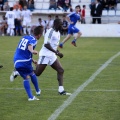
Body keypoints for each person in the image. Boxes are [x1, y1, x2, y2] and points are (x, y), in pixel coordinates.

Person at [34, 19, 71, 95]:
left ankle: (61, 90)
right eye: (60, 24)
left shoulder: (58, 32)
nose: (61, 26)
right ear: (56, 24)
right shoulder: (50, 32)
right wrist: (57, 53)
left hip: (51, 55)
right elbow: (46, 44)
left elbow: (53, 45)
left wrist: (57, 52)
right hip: (45, 55)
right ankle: (20, 71)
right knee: (37, 73)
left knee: (60, 70)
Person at [10, 26, 43, 101]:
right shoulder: (34, 40)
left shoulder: (24, 37)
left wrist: (32, 60)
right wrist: (32, 51)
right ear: (39, 35)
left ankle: (34, 94)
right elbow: (29, 46)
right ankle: (36, 92)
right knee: (31, 74)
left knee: (26, 77)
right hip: (24, 62)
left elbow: (24, 52)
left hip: (16, 60)